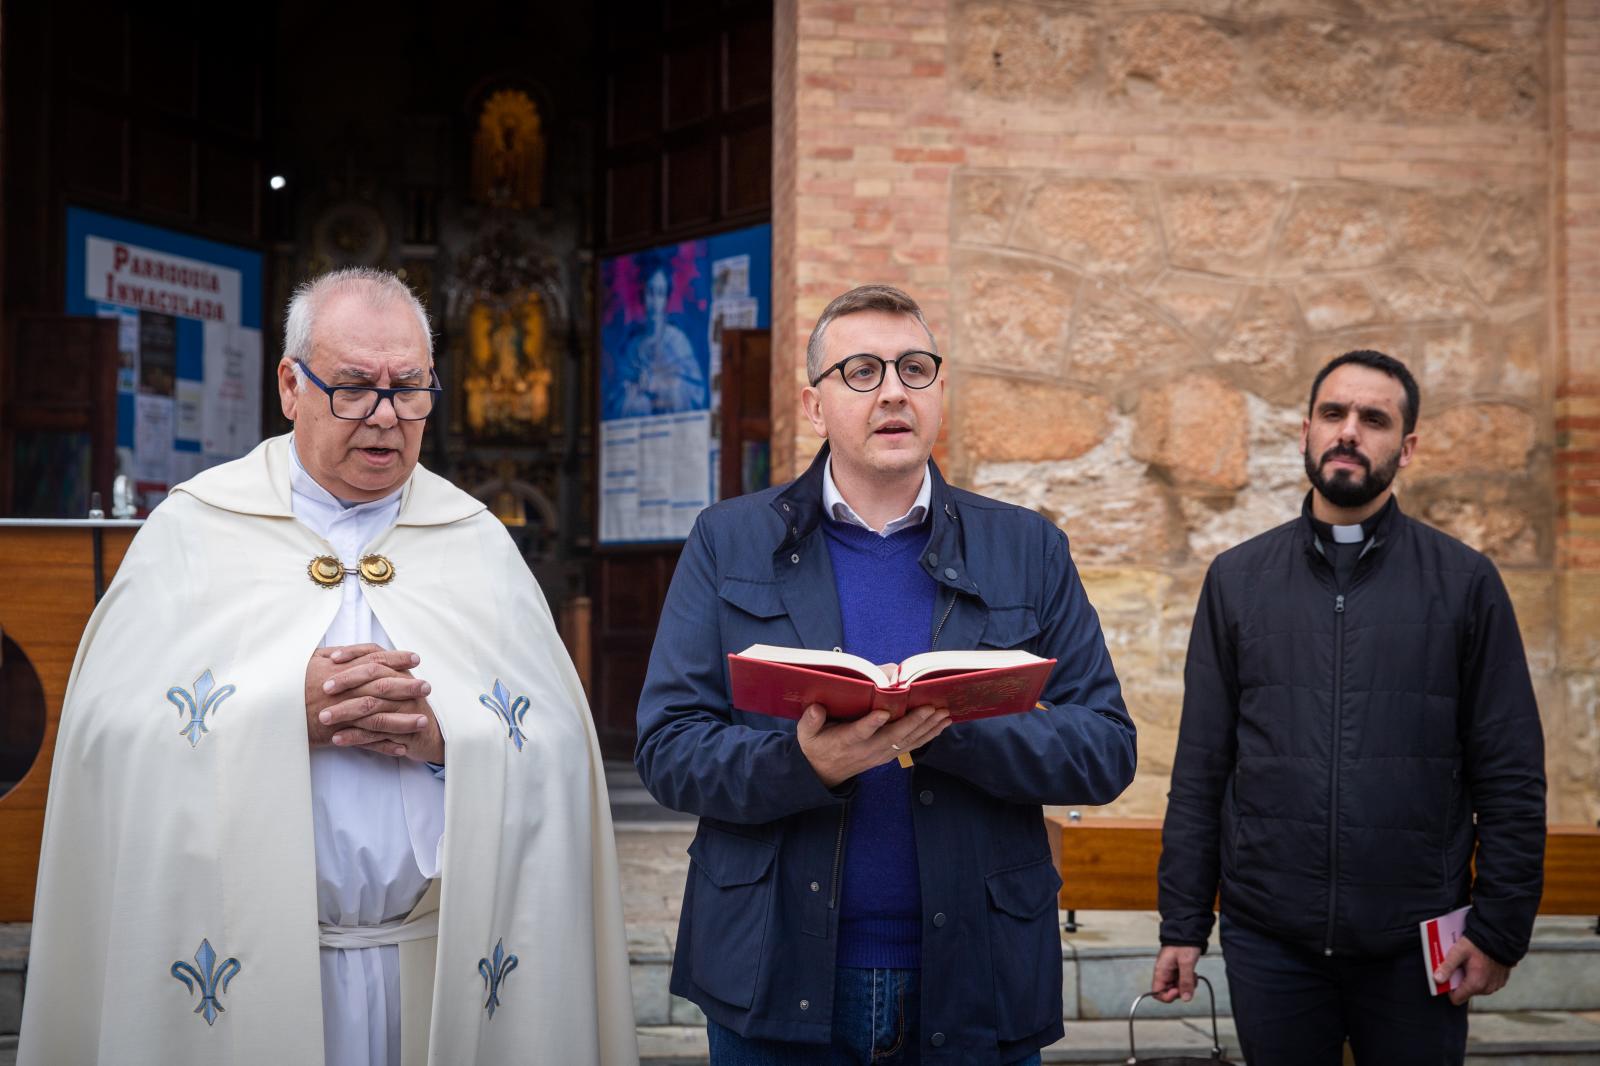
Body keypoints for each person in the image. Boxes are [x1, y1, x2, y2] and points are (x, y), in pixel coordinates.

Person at [20, 268, 638, 1066]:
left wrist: (445, 732)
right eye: (353, 388)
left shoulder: (476, 539)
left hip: (432, 961)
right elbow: (106, 739)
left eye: (410, 389)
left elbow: (558, 748)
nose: (386, 419)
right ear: (290, 384)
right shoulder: (195, 530)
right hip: (239, 971)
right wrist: (282, 707)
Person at [635, 284, 1137, 1065]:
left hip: (976, 973)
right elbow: (668, 749)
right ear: (813, 404)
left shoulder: (1027, 548)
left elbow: (1105, 749)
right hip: (771, 967)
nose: (894, 390)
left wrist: (948, 731)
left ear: (939, 393)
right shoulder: (729, 541)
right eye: (862, 371)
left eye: (915, 368)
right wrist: (805, 764)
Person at [1151, 350, 1546, 1066]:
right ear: (1305, 430)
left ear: (1407, 446)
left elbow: (1512, 772)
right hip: (1271, 941)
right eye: (1333, 414)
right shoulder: (1238, 581)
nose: (1349, 432)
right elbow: (1204, 765)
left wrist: (1500, 929)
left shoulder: (1464, 584)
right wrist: (1182, 923)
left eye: (1374, 419)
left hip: (1414, 946)